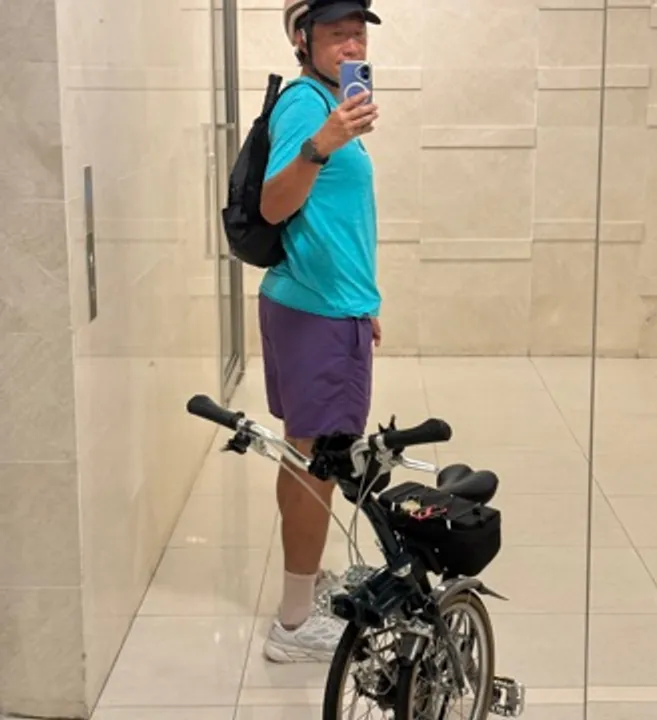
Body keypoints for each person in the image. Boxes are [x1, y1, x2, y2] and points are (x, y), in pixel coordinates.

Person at [259, 0, 383, 663]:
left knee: (304, 455)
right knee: (319, 463)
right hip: (318, 313)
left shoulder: (332, 103)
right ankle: (294, 625)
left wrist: (362, 301)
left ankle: (300, 591)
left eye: (358, 33)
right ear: (303, 40)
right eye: (338, 34)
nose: (353, 44)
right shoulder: (308, 109)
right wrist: (321, 144)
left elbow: (333, 219)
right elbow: (273, 204)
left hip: (321, 304)